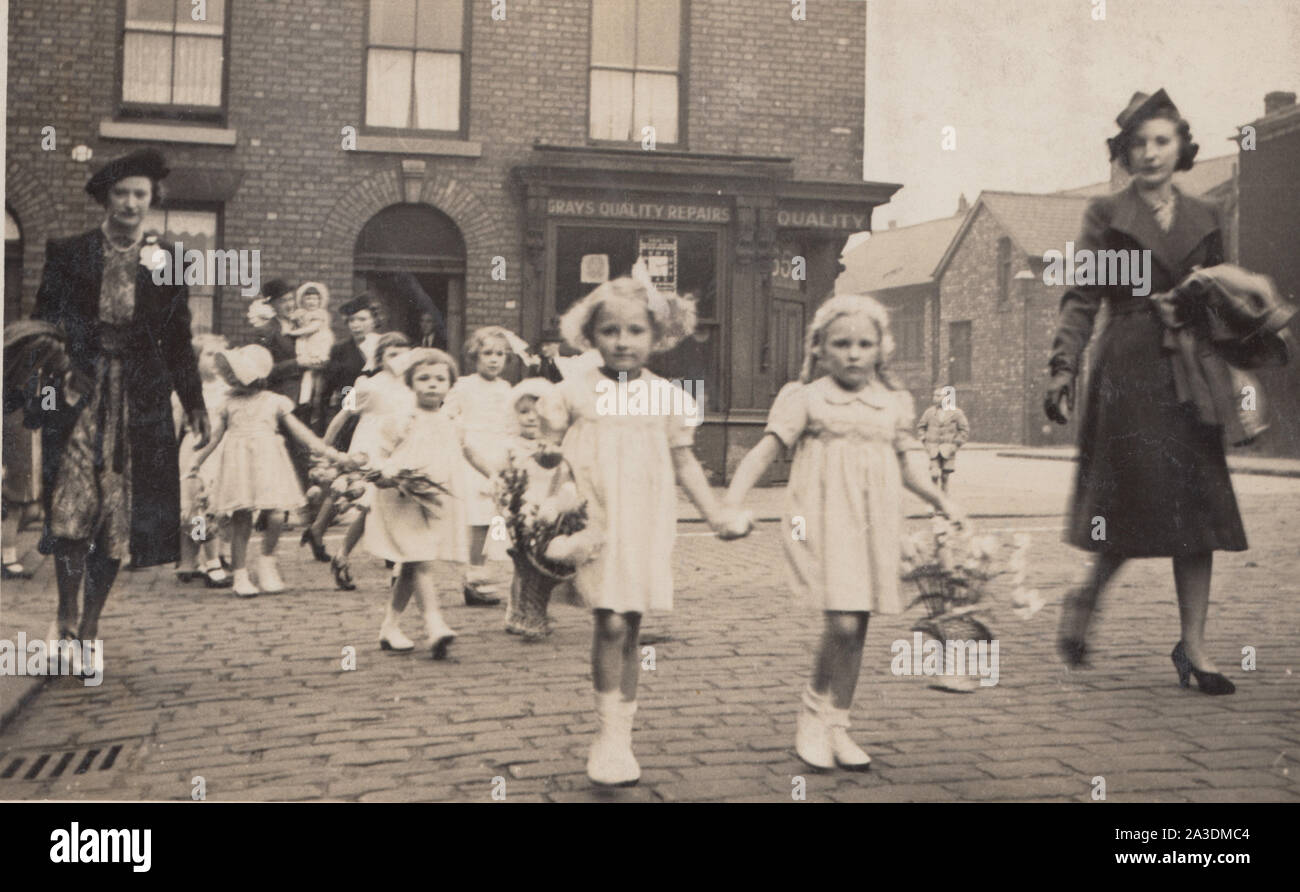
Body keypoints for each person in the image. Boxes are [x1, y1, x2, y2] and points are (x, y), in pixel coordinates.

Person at [1046, 89, 1243, 694]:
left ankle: (1195, 647)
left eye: (1162, 140)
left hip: (1189, 369)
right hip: (1128, 367)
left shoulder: (1209, 215)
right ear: (1124, 154)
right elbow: (1083, 297)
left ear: (1182, 145)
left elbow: (1227, 296)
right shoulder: (1105, 215)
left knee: (1200, 509)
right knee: (1131, 502)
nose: (1151, 153)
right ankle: (1087, 597)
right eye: (1139, 143)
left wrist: (1235, 361)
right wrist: (1062, 366)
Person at [724, 294, 964, 770]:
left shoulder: (893, 403)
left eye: (864, 343)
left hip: (874, 522)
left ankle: (839, 725)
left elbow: (912, 466)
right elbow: (763, 451)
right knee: (842, 623)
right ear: (819, 349)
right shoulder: (807, 399)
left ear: (881, 349)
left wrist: (943, 501)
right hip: (821, 519)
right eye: (841, 344)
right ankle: (812, 715)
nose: (853, 353)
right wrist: (731, 501)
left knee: (859, 627)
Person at [536, 270, 737, 786]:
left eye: (635, 331)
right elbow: (546, 456)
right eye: (610, 331)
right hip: (595, 517)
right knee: (611, 621)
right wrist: (543, 499)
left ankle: (622, 729)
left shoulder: (668, 397)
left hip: (644, 519)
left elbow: (685, 463)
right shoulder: (572, 391)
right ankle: (608, 736)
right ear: (590, 335)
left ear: (657, 336)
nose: (622, 342)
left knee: (632, 623)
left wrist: (715, 514)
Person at [26, 148, 207, 674]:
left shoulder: (169, 261)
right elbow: (43, 325)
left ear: (152, 202)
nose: (130, 203)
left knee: (115, 519)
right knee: (70, 510)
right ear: (107, 198)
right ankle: (63, 615)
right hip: (80, 398)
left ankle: (89, 628)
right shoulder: (70, 253)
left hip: (139, 403)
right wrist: (55, 376)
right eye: (122, 193)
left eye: (140, 195)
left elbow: (178, 340)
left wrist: (193, 401)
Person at [365, 349, 497, 659]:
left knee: (414, 562)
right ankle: (434, 624)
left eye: (440, 379)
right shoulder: (403, 418)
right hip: (402, 496)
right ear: (411, 383)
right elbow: (379, 451)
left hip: (436, 499)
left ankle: (390, 627)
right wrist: (381, 472)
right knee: (420, 559)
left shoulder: (452, 419)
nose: (432, 385)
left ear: (451, 384)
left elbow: (469, 451)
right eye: (424, 378)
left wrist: (494, 474)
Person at [190, 345, 347, 597]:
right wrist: (196, 461)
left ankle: (267, 561)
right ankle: (240, 574)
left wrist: (330, 453)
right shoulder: (228, 403)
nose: (233, 379)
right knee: (241, 518)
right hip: (239, 464)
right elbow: (215, 438)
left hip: (269, 462)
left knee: (275, 515)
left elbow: (301, 433)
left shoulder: (274, 402)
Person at [320, 332, 414, 590]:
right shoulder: (368, 386)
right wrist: (323, 448)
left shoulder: (412, 385)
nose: (399, 360)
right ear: (380, 358)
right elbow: (343, 415)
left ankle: (398, 566)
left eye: (403, 353)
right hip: (373, 449)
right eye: (392, 354)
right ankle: (343, 556)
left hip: (402, 449)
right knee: (371, 507)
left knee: (401, 505)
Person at [445, 326, 518, 607]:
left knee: (493, 518)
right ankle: (472, 577)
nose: (493, 359)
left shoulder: (506, 388)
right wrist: (458, 433)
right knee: (478, 519)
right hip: (472, 456)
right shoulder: (464, 385)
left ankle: (481, 576)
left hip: (499, 454)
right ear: (475, 356)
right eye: (487, 353)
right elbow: (449, 416)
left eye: (500, 354)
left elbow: (510, 423)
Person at [497, 377, 563, 638]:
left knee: (543, 563)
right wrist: (505, 504)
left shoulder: (553, 445)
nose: (531, 418)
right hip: (521, 509)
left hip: (546, 508)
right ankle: (515, 610)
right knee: (521, 564)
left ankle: (535, 609)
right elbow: (502, 476)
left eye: (537, 412)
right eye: (524, 412)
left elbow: (561, 474)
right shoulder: (511, 446)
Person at [174, 333, 232, 588]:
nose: (215, 359)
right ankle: (197, 561)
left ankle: (214, 556)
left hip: (221, 451)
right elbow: (175, 425)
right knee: (194, 505)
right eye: (209, 354)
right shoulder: (185, 392)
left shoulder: (228, 390)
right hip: (195, 448)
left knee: (215, 506)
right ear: (195, 360)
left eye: (220, 354)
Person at [252, 279, 311, 488]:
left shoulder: (302, 325)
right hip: (283, 397)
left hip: (307, 396)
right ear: (273, 305)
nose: (290, 305)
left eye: (291, 299)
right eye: (284, 300)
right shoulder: (267, 331)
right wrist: (296, 364)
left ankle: (305, 506)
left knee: (304, 449)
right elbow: (261, 371)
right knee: (290, 449)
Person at [286, 282, 334, 423]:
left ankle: (315, 408)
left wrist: (293, 333)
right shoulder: (300, 313)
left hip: (318, 342)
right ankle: (304, 401)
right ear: (302, 300)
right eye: (308, 299)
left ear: (320, 301)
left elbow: (312, 328)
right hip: (306, 343)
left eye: (315, 299)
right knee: (308, 374)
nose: (312, 302)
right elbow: (291, 320)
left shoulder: (320, 314)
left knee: (317, 378)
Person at [915, 386, 970, 494]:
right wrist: (925, 441)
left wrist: (955, 445)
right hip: (933, 448)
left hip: (948, 449)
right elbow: (921, 427)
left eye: (938, 396)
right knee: (934, 475)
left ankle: (944, 502)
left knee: (945, 477)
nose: (935, 398)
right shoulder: (929, 412)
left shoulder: (956, 412)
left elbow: (964, 430)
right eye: (934, 395)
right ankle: (934, 502)